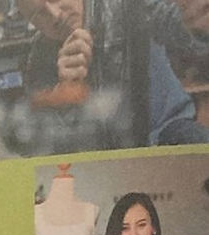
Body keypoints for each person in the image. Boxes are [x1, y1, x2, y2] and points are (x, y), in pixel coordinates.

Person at [17, 0, 209, 151]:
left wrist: (195, 22)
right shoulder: (40, 56)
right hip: (102, 157)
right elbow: (44, 141)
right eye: (38, 14)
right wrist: (64, 93)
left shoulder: (126, 5)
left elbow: (175, 25)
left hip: (167, 130)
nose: (55, 15)